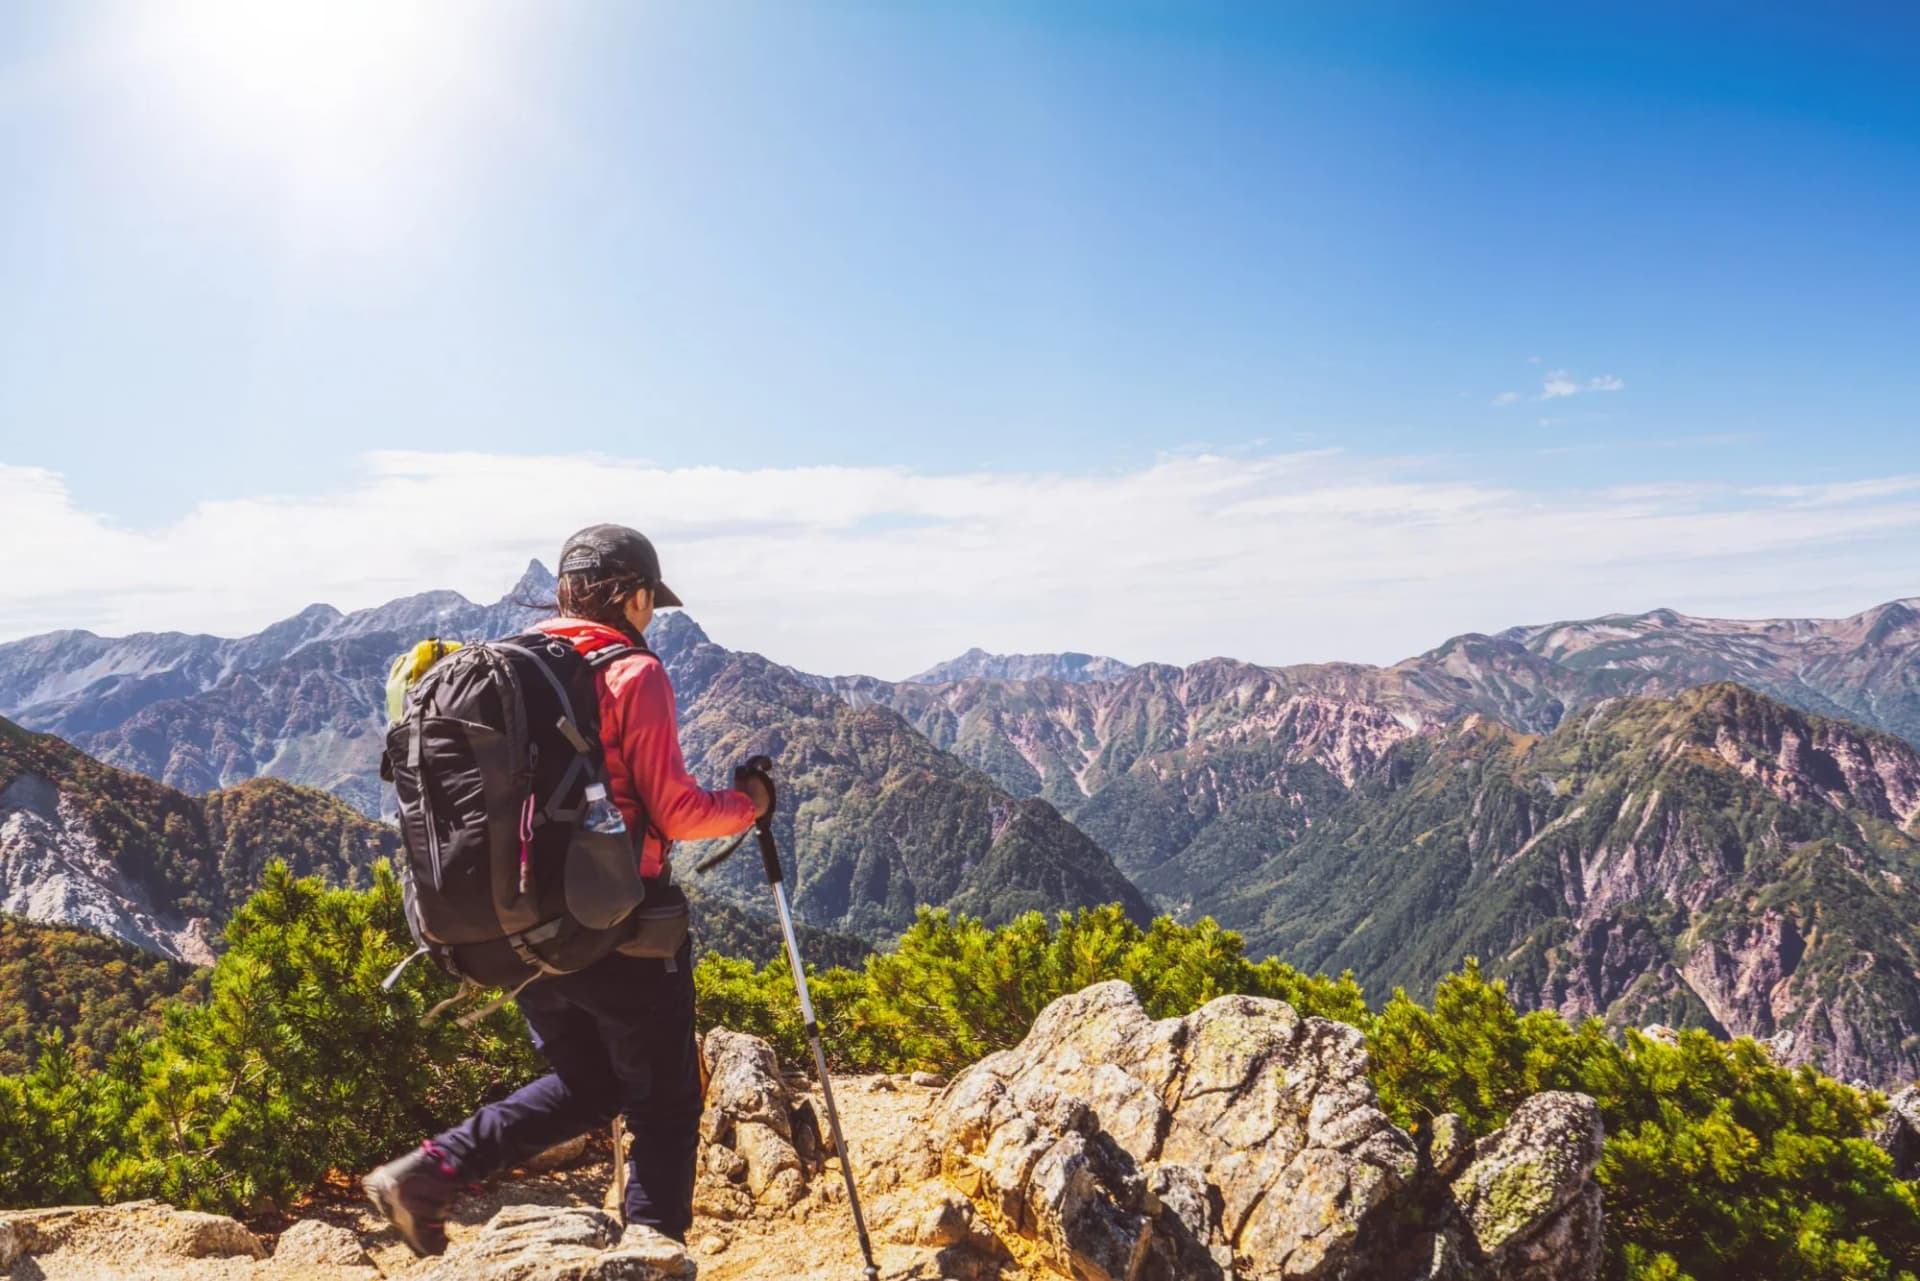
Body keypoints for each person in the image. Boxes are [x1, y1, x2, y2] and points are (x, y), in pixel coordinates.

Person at [365, 523, 770, 1256]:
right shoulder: (631, 672)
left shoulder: (516, 662)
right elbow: (675, 810)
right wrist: (750, 805)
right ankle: (651, 1256)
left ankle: (428, 1172)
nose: (651, 617)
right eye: (651, 601)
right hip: (617, 924)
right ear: (633, 594)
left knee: (590, 1084)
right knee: (668, 1102)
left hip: (520, 924)